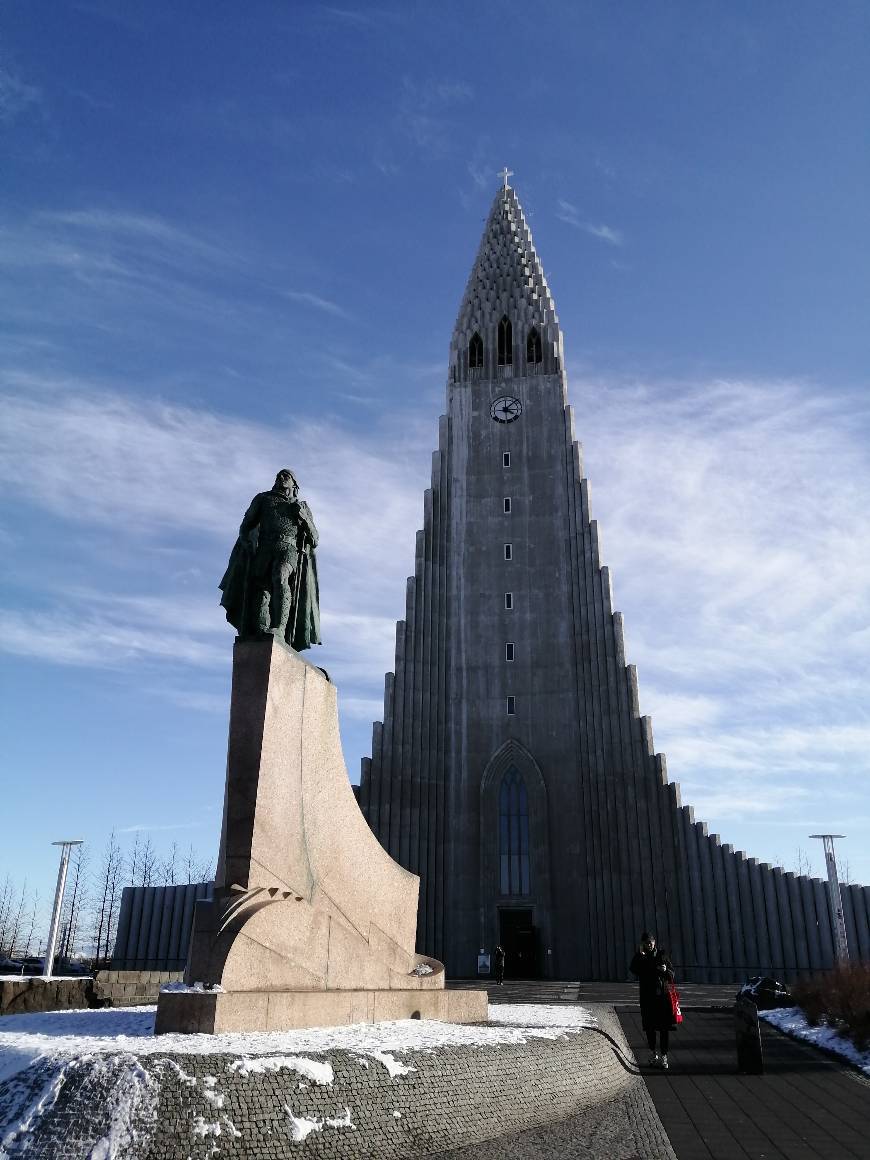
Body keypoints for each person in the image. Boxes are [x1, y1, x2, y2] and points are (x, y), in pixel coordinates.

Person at [219, 469, 321, 650]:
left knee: (280, 577)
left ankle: (280, 628)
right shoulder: (263, 499)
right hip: (265, 548)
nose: (281, 478)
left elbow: (314, 539)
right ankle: (261, 629)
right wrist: (246, 541)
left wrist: (304, 518)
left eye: (286, 476)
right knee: (262, 589)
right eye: (279, 476)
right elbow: (246, 525)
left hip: (288, 549)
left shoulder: (301, 506)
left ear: (294, 485)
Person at [630, 931, 675, 1070]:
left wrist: (665, 970)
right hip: (647, 998)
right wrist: (639, 955)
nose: (649, 944)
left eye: (651, 942)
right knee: (649, 1028)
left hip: (662, 998)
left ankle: (664, 1055)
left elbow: (672, 975)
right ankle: (653, 1053)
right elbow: (633, 969)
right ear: (643, 944)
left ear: (654, 942)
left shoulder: (662, 955)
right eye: (646, 943)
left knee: (664, 1028)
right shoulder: (640, 957)